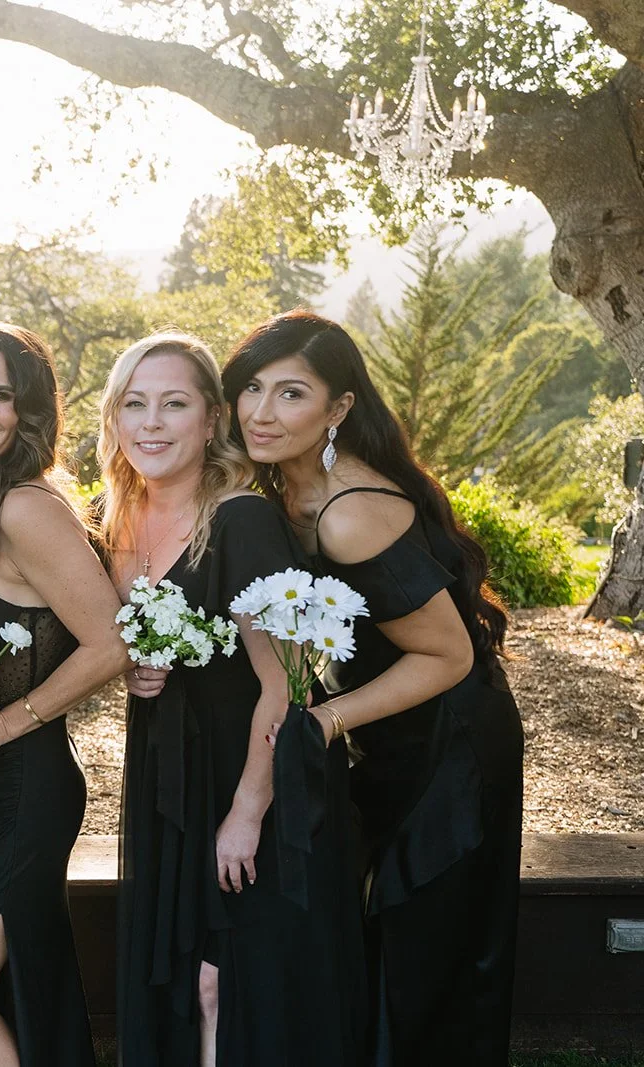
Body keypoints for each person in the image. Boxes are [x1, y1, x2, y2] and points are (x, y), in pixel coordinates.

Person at [223, 309, 523, 1066]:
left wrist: (325, 720)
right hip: (385, 731)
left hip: (447, 739)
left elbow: (450, 656)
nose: (261, 411)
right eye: (251, 387)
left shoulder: (351, 512)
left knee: (425, 943)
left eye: (291, 393)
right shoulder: (280, 485)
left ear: (340, 408)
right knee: (380, 933)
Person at [99, 332, 364, 1065]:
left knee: (230, 982)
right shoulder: (114, 522)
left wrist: (247, 813)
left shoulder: (242, 520)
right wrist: (133, 670)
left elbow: (290, 682)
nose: (151, 423)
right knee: (189, 978)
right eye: (135, 404)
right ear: (115, 418)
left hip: (254, 776)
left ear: (212, 418)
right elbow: (112, 642)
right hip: (167, 775)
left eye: (174, 404)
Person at [0, 323, 148, 1066]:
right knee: (6, 988)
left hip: (23, 788)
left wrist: (3, 723)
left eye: (1, 395)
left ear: (31, 414)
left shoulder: (25, 506)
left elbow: (113, 642)